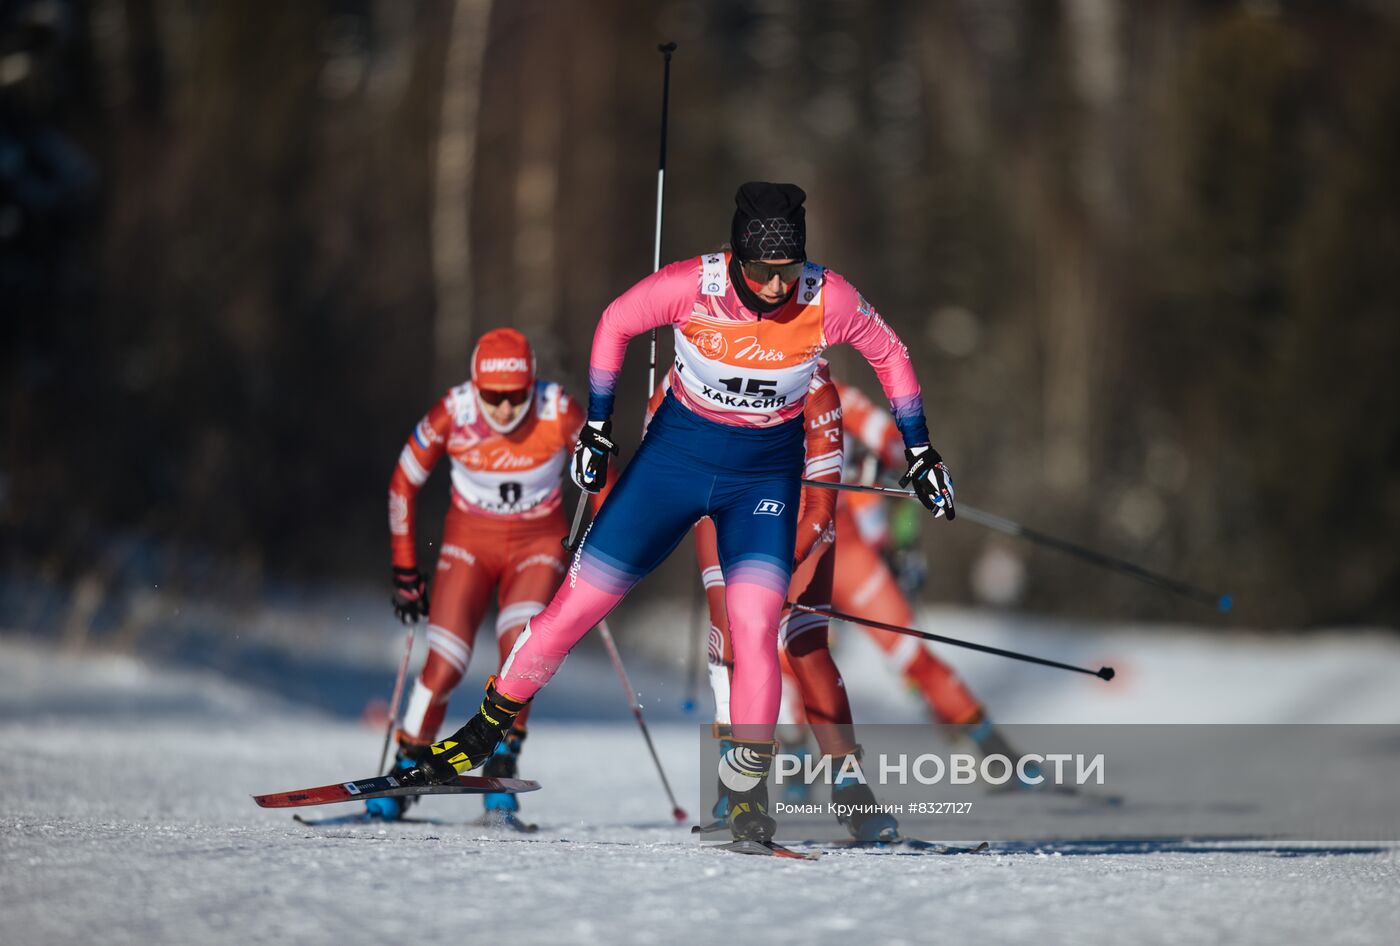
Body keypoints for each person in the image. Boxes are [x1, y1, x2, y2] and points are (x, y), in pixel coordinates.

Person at [393, 182, 956, 845]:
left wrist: (920, 450)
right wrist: (599, 428)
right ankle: (487, 729)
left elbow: (890, 354)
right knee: (577, 607)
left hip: (761, 481)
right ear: (736, 256)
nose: (777, 287)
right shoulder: (695, 284)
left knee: (753, 630)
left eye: (789, 270)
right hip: (671, 468)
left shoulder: (827, 296)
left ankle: (745, 797)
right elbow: (615, 323)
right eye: (761, 271)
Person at [375, 328, 603, 825]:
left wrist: (603, 551)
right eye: (493, 397)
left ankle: (502, 759)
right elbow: (402, 483)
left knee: (519, 649)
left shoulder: (557, 409)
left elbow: (601, 476)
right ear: (475, 387)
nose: (503, 409)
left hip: (537, 545)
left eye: (515, 396)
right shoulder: (451, 412)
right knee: (446, 662)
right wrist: (405, 569)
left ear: (532, 385)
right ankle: (408, 763)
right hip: (469, 544)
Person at [687, 361, 901, 842]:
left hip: (802, 510)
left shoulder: (820, 381)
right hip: (726, 509)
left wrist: (883, 462)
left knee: (803, 641)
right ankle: (736, 786)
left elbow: (880, 448)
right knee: (730, 637)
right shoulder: (699, 351)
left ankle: (851, 789)